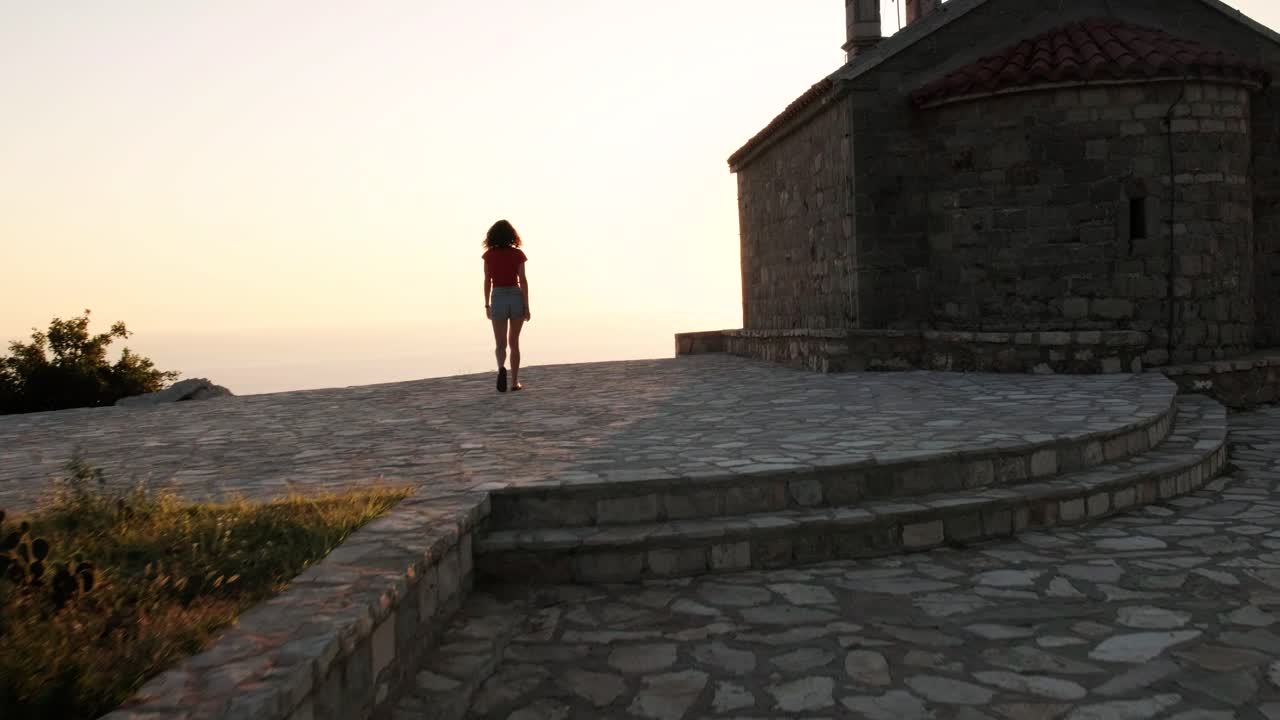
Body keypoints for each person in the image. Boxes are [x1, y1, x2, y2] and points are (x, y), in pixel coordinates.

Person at [482, 220, 531, 392]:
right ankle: (514, 382)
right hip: (515, 295)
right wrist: (526, 306)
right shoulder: (518, 254)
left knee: (500, 343)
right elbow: (523, 281)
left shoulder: (489, 255)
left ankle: (501, 367)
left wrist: (487, 305)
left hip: (498, 296)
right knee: (514, 342)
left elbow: (487, 280)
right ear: (512, 235)